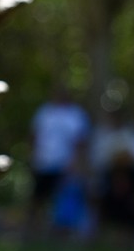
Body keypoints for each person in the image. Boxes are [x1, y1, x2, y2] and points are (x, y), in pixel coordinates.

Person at [28, 86, 91, 236]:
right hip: (43, 163)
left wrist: (76, 163)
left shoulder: (75, 114)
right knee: (38, 199)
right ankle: (34, 231)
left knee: (62, 201)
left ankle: (61, 233)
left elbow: (80, 142)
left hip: (64, 164)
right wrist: (31, 156)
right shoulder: (44, 112)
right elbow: (34, 135)